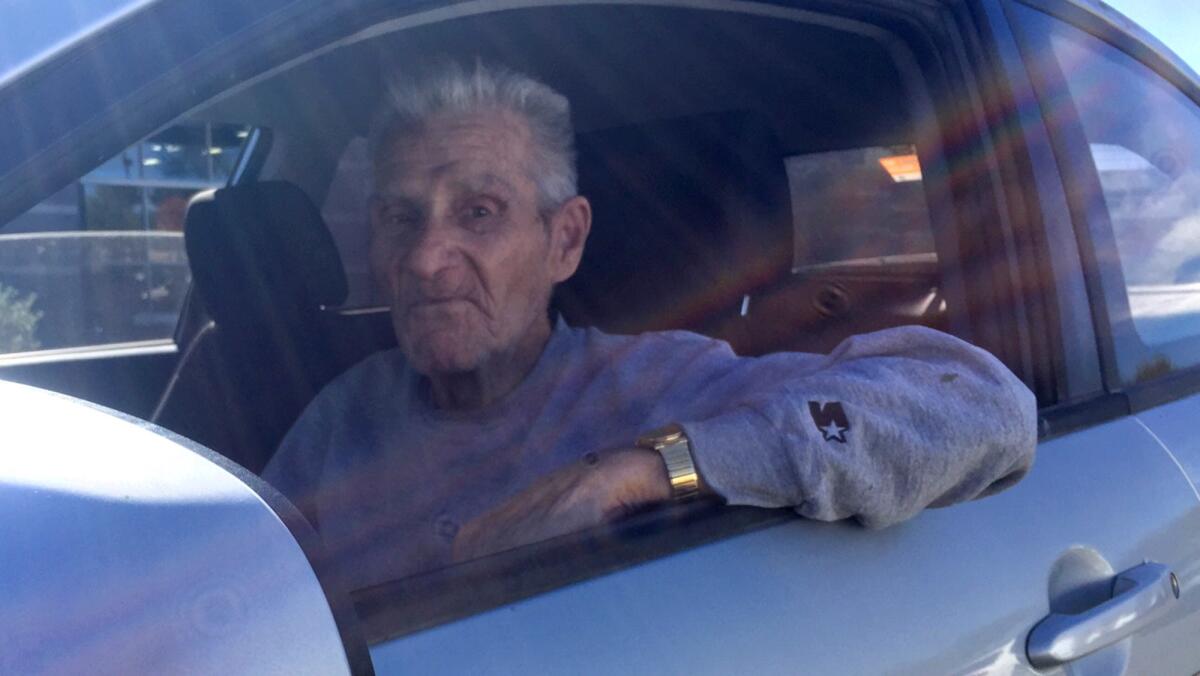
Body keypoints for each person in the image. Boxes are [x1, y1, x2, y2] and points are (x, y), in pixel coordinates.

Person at [262, 62, 1037, 591]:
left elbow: (981, 400)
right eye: (401, 217)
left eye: (479, 213)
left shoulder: (664, 383)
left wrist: (643, 471)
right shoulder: (338, 419)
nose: (427, 258)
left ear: (564, 240)